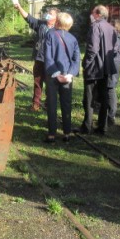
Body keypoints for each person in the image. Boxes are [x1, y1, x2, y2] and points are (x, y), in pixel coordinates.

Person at [80, 5, 118, 135]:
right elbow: (114, 48)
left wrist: (86, 63)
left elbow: (92, 48)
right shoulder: (111, 28)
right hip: (106, 68)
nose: (91, 14)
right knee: (103, 98)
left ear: (97, 14)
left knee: (89, 98)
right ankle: (103, 126)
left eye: (93, 12)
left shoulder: (95, 26)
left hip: (95, 68)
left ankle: (87, 126)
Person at [43, 12, 81, 143]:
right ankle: (67, 133)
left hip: (53, 75)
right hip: (67, 76)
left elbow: (47, 56)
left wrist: (56, 74)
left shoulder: (50, 35)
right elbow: (76, 60)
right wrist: (70, 74)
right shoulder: (73, 39)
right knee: (66, 104)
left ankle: (52, 134)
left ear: (57, 22)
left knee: (52, 104)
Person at [14, 2, 58, 111]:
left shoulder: (58, 30)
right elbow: (28, 18)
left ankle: (49, 104)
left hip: (51, 61)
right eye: (48, 13)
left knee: (50, 84)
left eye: (51, 14)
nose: (48, 15)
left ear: (56, 18)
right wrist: (19, 6)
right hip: (39, 59)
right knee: (37, 82)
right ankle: (35, 104)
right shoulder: (41, 25)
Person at [106, 19, 120, 127]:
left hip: (113, 65)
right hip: (116, 64)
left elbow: (112, 50)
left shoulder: (116, 37)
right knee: (110, 87)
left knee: (111, 88)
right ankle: (110, 114)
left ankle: (111, 115)